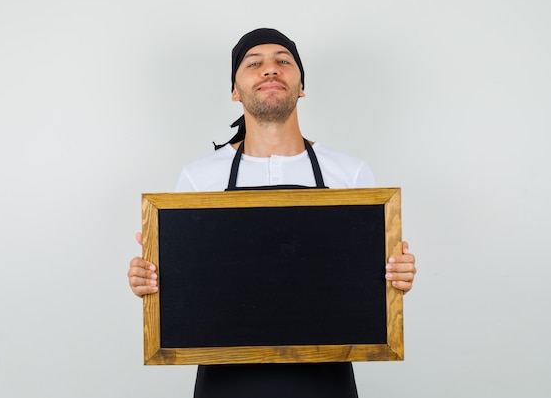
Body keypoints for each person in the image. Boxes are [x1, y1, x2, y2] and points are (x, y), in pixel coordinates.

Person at [128, 27, 417, 398]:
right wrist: (151, 280)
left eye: (283, 61)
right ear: (235, 91)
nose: (270, 70)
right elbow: (184, 287)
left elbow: (368, 283)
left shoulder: (352, 174)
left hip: (326, 378)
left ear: (301, 86)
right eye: (254, 63)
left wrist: (394, 276)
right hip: (225, 379)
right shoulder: (199, 177)